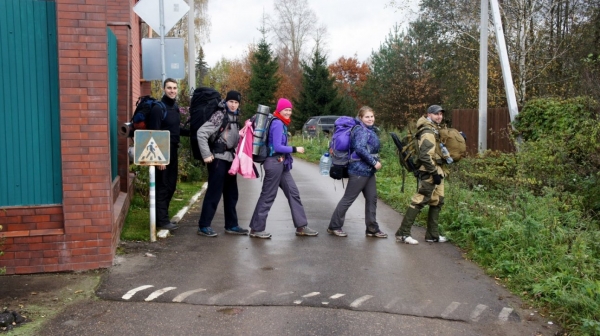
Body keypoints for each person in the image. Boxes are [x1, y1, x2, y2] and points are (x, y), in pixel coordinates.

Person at [248, 98, 318, 239]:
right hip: (274, 163)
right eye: (285, 109)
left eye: (290, 110)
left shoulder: (279, 122)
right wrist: (295, 148)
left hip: (281, 164)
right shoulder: (278, 123)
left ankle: (301, 226)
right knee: (268, 195)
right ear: (279, 110)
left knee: (293, 192)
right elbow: (278, 147)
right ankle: (256, 229)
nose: (288, 112)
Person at [327, 106, 387, 238]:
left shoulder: (369, 130)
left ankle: (372, 228)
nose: (370, 119)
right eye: (367, 117)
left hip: (368, 171)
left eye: (372, 116)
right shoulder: (361, 130)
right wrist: (374, 162)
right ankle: (334, 226)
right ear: (360, 117)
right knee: (348, 199)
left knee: (372, 198)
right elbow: (359, 148)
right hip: (359, 170)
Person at [196, 90, 248, 237]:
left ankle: (232, 225)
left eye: (236, 102)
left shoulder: (236, 116)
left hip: (230, 160)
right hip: (218, 159)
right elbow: (201, 133)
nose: (233, 105)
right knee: (214, 193)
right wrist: (206, 154)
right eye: (231, 101)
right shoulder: (220, 114)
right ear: (226, 101)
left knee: (232, 194)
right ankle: (204, 226)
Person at [395, 105, 449, 245]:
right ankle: (403, 233)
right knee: (419, 201)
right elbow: (425, 156)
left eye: (441, 114)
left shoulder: (434, 129)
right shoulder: (427, 132)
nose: (439, 116)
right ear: (429, 114)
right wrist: (433, 173)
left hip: (437, 171)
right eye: (436, 114)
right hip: (429, 172)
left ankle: (432, 235)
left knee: (437, 201)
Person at [146, 78, 189, 231]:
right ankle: (162, 221)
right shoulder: (159, 108)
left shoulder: (175, 107)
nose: (172, 90)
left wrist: (194, 133)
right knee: (163, 186)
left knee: (170, 186)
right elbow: (154, 133)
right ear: (164, 89)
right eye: (169, 88)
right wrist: (159, 159)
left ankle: (162, 218)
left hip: (173, 150)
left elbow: (176, 130)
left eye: (175, 88)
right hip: (163, 151)